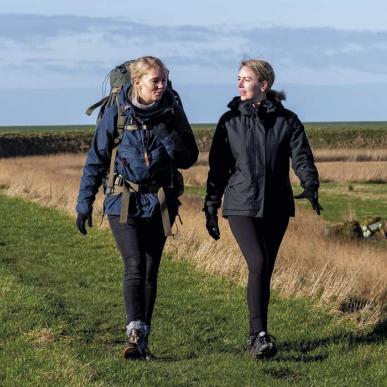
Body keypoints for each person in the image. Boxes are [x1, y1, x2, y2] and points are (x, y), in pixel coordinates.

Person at [76, 56, 198, 360]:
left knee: (150, 270)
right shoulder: (117, 111)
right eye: (155, 80)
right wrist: (84, 204)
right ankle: (133, 334)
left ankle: (142, 339)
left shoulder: (172, 111)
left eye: (164, 80)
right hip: (122, 201)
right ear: (138, 81)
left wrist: (164, 133)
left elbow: (188, 157)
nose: (161, 85)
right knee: (135, 266)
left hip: (159, 203)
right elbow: (96, 159)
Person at [203, 59, 322, 359]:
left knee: (264, 268)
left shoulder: (288, 120)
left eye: (246, 79)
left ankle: (256, 334)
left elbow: (302, 157)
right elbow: (217, 169)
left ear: (263, 85)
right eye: (238, 78)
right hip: (241, 205)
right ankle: (259, 335)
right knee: (257, 262)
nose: (239, 84)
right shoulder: (229, 121)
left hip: (277, 206)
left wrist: (310, 185)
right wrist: (210, 206)